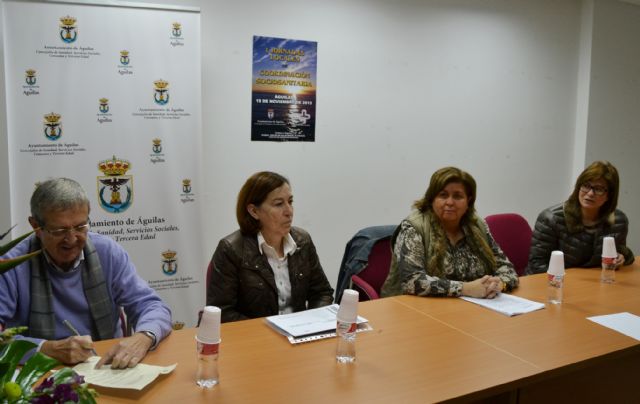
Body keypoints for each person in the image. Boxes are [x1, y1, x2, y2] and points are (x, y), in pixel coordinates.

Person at [0, 178, 172, 368]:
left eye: (80, 227)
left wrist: (143, 337)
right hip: (38, 369)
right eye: (59, 230)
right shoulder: (12, 264)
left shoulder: (107, 252)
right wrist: (44, 348)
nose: (71, 239)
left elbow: (151, 306)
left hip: (105, 365)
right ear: (35, 226)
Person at [207, 171, 334, 322]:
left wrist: (312, 324)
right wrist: (270, 330)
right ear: (254, 211)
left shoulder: (302, 241)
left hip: (298, 332)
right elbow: (222, 313)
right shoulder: (231, 249)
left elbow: (322, 293)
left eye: (290, 202)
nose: (289, 211)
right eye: (279, 204)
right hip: (255, 334)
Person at [381, 167, 519, 298]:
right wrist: (466, 289)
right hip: (414, 307)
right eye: (443, 195)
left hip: (472, 305)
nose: (450, 202)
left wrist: (499, 285)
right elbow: (412, 281)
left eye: (458, 196)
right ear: (432, 199)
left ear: (469, 200)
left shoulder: (477, 225)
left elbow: (506, 268)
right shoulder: (414, 227)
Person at [526, 161, 634, 274]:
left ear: (609, 196)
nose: (590, 193)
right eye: (586, 186)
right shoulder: (550, 218)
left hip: (595, 281)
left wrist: (622, 257)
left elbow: (621, 251)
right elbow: (536, 265)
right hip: (553, 281)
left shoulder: (618, 221)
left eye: (599, 189)